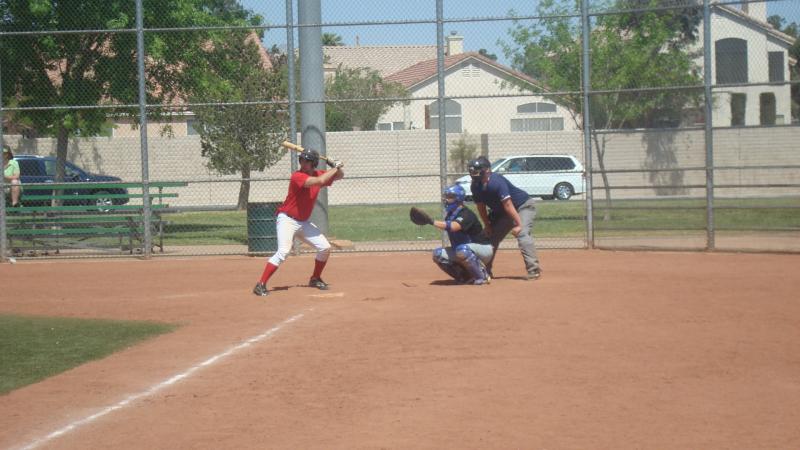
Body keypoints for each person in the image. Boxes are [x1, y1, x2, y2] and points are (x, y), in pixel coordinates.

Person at [253, 148, 344, 297]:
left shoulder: (318, 173)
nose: (303, 162)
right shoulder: (298, 176)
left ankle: (315, 278)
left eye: (307, 160)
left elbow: (340, 176)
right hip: (287, 220)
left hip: (303, 222)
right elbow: (320, 181)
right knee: (283, 251)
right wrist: (334, 168)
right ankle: (260, 284)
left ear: (313, 163)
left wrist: (335, 165)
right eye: (302, 159)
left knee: (325, 247)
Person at [468, 156, 542, 280]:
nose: (473, 174)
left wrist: (518, 224)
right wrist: (487, 226)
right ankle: (484, 271)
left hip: (522, 206)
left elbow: (508, 204)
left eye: (476, 170)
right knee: (488, 238)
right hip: (503, 212)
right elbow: (481, 207)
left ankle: (533, 270)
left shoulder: (496, 182)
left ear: (487, 170)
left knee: (522, 233)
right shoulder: (475, 186)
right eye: (472, 171)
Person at [431, 184, 493, 285]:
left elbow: (454, 226)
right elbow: (448, 225)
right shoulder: (450, 216)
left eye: (450, 197)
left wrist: (431, 221)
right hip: (463, 249)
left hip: (483, 250)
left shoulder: (466, 214)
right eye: (446, 196)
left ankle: (483, 276)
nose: (446, 199)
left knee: (462, 250)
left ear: (458, 198)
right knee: (437, 254)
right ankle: (465, 277)